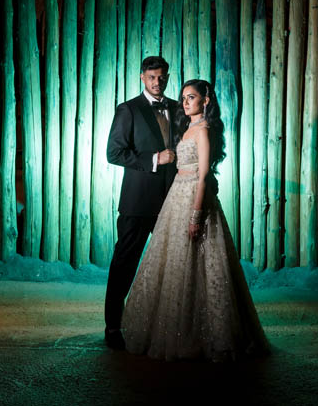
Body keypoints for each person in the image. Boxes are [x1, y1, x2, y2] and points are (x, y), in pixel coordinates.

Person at [121, 79, 269, 361]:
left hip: (193, 199)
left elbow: (202, 175)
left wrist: (196, 215)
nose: (185, 102)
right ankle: (174, 329)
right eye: (184, 97)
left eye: (191, 97)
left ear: (206, 101)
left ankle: (209, 335)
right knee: (175, 263)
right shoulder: (188, 127)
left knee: (203, 263)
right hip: (176, 196)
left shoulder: (203, 130)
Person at [103, 56, 177, 350]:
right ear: (141, 77)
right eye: (151, 77)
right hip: (137, 202)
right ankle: (112, 327)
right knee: (124, 263)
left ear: (167, 77)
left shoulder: (176, 107)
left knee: (170, 267)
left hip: (173, 200)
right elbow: (114, 153)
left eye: (161, 77)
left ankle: (162, 327)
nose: (157, 82)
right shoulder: (128, 109)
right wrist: (154, 160)